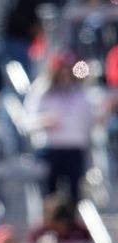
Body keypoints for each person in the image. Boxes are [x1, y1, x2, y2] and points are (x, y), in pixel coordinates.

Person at [24, 51, 95, 204]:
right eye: (62, 68)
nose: (65, 73)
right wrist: (44, 121)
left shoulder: (80, 93)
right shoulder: (42, 90)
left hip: (75, 148)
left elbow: (90, 118)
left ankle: (72, 226)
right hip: (50, 148)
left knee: (75, 195)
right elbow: (27, 121)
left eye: (68, 69)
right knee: (49, 195)